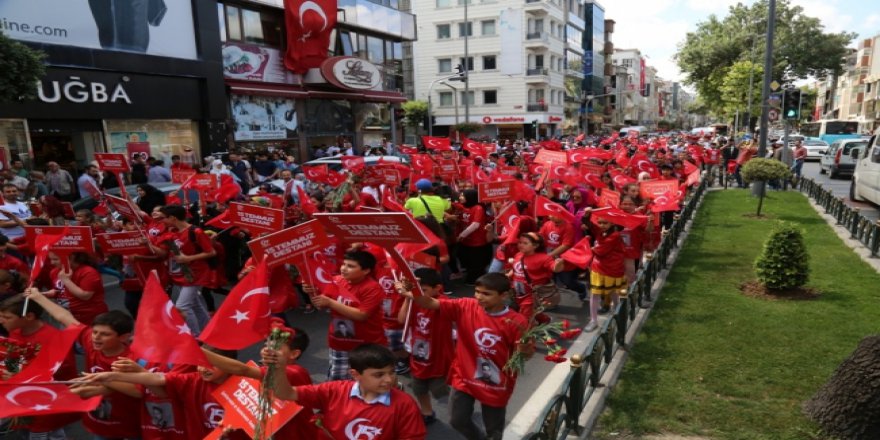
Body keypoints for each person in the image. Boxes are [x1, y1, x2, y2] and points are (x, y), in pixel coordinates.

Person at [402, 272, 532, 440]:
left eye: (486, 294)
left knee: (494, 430)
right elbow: (428, 302)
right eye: (477, 291)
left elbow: (526, 356)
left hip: (496, 383)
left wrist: (525, 349)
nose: (479, 297)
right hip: (464, 377)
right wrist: (411, 290)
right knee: (457, 420)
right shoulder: (466, 305)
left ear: (504, 295)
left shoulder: (517, 321)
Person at [23, 289, 142, 439]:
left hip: (129, 423)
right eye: (95, 332)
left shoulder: (132, 359)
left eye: (105, 334)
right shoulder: (91, 343)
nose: (96, 338)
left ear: (124, 337)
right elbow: (65, 317)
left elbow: (138, 391)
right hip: (99, 423)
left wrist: (99, 380)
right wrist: (38, 297)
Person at [262, 343, 427, 440]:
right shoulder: (334, 390)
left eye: (391, 372)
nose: (389, 380)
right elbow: (286, 393)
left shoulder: (405, 405)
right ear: (355, 374)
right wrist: (278, 368)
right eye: (379, 375)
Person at [0, 296, 80, 438]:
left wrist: (22, 375)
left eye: (7, 317)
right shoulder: (15, 331)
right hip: (22, 398)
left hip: (45, 402)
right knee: (25, 431)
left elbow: (60, 373)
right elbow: (13, 357)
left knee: (44, 434)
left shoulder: (53, 338)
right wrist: (10, 370)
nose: (1, 321)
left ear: (29, 316)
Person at [305, 249, 387, 380]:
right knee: (338, 383)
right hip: (339, 342)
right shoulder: (336, 281)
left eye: (351, 266)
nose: (344, 269)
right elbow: (319, 305)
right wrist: (311, 292)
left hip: (366, 344)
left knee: (368, 380)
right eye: (344, 264)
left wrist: (331, 303)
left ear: (366, 271)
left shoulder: (372, 288)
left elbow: (361, 315)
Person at [395, 268, 454, 424]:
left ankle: (462, 402)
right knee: (418, 387)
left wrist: (409, 294)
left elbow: (431, 304)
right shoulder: (413, 300)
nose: (419, 293)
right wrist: (408, 299)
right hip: (418, 354)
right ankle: (427, 412)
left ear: (438, 288)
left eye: (424, 289)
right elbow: (402, 320)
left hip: (439, 356)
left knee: (439, 390)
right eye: (416, 289)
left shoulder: (445, 303)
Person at [147, 204, 216, 336]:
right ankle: (209, 331)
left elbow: (211, 252)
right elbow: (162, 253)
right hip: (178, 275)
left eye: (163, 218)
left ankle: (195, 337)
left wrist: (188, 258)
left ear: (172, 218)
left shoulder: (195, 232)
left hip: (195, 275)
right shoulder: (170, 233)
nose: (161, 222)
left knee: (182, 307)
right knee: (195, 305)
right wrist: (148, 244)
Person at [585, 214, 626, 332]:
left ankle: (617, 310)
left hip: (611, 268)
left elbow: (600, 251)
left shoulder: (615, 235)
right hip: (598, 267)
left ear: (612, 223)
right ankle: (593, 320)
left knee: (613, 291)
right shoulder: (600, 231)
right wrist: (587, 215)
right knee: (594, 293)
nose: (602, 225)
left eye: (605, 223)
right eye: (600, 222)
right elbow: (590, 225)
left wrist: (587, 247)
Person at [44, 251, 108, 326]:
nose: (52, 263)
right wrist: (50, 293)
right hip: (68, 317)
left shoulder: (88, 272)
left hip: (90, 318)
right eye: (50, 259)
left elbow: (85, 296)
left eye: (55, 259)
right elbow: (60, 290)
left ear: (71, 258)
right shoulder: (54, 272)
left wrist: (66, 280)